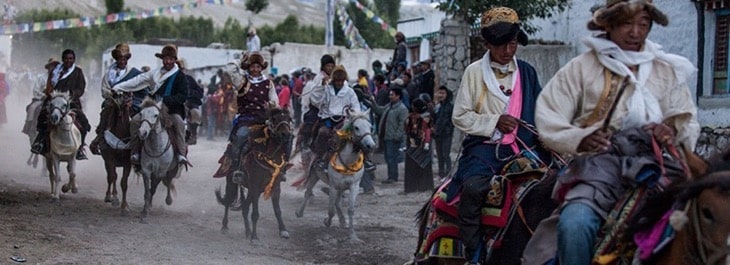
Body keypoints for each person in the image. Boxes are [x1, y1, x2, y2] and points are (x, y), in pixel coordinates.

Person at [527, 1, 700, 264]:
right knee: (575, 225)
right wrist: (581, 137)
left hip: (656, 165)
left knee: (700, 220)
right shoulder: (582, 67)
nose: (635, 33)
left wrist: (671, 131)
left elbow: (686, 120)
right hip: (599, 164)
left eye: (643, 24)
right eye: (626, 24)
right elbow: (549, 114)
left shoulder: (666, 71)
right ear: (608, 25)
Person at [447, 7, 549, 264]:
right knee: (472, 190)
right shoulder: (473, 73)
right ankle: (476, 254)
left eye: (513, 44)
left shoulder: (527, 72)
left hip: (526, 146)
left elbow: (541, 111)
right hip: (485, 148)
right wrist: (494, 122)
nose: (507, 51)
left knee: (553, 186)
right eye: (501, 45)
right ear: (487, 43)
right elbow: (460, 116)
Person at [111, 44, 189, 165]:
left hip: (171, 110)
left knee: (179, 124)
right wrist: (118, 87)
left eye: (170, 59)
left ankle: (181, 154)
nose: (167, 61)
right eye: (165, 59)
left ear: (174, 60)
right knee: (135, 121)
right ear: (162, 59)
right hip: (153, 109)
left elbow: (183, 96)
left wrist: (165, 100)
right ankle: (135, 152)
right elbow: (137, 81)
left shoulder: (180, 77)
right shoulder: (154, 73)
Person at [213, 52, 279, 184]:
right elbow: (230, 68)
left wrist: (271, 105)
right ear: (248, 67)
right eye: (252, 67)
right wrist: (240, 61)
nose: (255, 70)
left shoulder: (268, 83)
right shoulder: (242, 80)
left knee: (281, 138)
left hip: (263, 120)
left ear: (261, 68)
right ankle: (237, 167)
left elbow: (275, 101)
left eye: (258, 67)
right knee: (241, 136)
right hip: (246, 119)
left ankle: (279, 168)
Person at [31, 49, 90, 160]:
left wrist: (71, 94)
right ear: (63, 59)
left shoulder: (78, 72)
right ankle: (40, 142)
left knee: (83, 121)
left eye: (71, 58)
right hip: (55, 99)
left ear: (74, 59)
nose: (69, 60)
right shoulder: (55, 71)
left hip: (71, 101)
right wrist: (52, 94)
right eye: (66, 58)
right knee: (42, 116)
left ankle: (80, 148)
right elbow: (49, 86)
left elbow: (81, 88)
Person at [89, 43, 144, 155]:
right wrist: (112, 93)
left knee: (138, 118)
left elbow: (142, 90)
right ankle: (100, 139)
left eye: (124, 58)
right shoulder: (109, 74)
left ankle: (139, 145)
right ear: (116, 59)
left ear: (127, 59)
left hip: (130, 101)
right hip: (112, 101)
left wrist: (130, 97)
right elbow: (104, 90)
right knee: (105, 114)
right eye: (120, 58)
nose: (122, 61)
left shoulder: (134, 73)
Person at [309, 64, 361, 171]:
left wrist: (352, 115)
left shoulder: (350, 91)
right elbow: (316, 100)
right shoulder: (327, 89)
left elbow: (356, 107)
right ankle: (321, 158)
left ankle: (364, 160)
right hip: (328, 119)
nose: (339, 83)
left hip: (344, 120)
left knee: (358, 136)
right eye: (337, 80)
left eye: (341, 80)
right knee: (322, 133)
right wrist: (321, 86)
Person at [296, 54, 335, 164]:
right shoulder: (319, 78)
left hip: (335, 110)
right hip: (318, 109)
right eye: (328, 66)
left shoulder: (336, 77)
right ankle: (307, 145)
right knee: (310, 123)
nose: (330, 68)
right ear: (323, 66)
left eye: (332, 65)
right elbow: (315, 97)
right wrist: (322, 85)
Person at [371, 88, 408, 184]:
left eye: (392, 95)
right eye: (390, 95)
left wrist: (397, 136)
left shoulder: (402, 109)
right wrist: (371, 102)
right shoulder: (389, 106)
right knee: (388, 157)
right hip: (386, 136)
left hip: (393, 137)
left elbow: (402, 125)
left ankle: (392, 176)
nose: (390, 97)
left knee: (392, 157)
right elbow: (379, 110)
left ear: (398, 96)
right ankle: (391, 176)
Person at [403, 97, 433, 193]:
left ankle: (411, 187)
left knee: (412, 168)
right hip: (423, 146)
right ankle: (424, 186)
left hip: (413, 146)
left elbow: (407, 130)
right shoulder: (427, 117)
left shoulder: (411, 118)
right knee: (424, 167)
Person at [176, 58, 204, 145]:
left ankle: (193, 135)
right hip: (175, 105)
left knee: (195, 113)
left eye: (180, 69)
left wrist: (189, 94)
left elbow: (200, 93)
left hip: (190, 104)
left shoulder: (189, 79)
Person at [432, 85, 454, 179]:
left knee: (446, 154)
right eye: (439, 93)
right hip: (438, 134)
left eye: (443, 93)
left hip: (446, 134)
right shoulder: (438, 106)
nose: (441, 95)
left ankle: (448, 173)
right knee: (440, 155)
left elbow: (451, 121)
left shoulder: (450, 107)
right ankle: (441, 173)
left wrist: (448, 130)